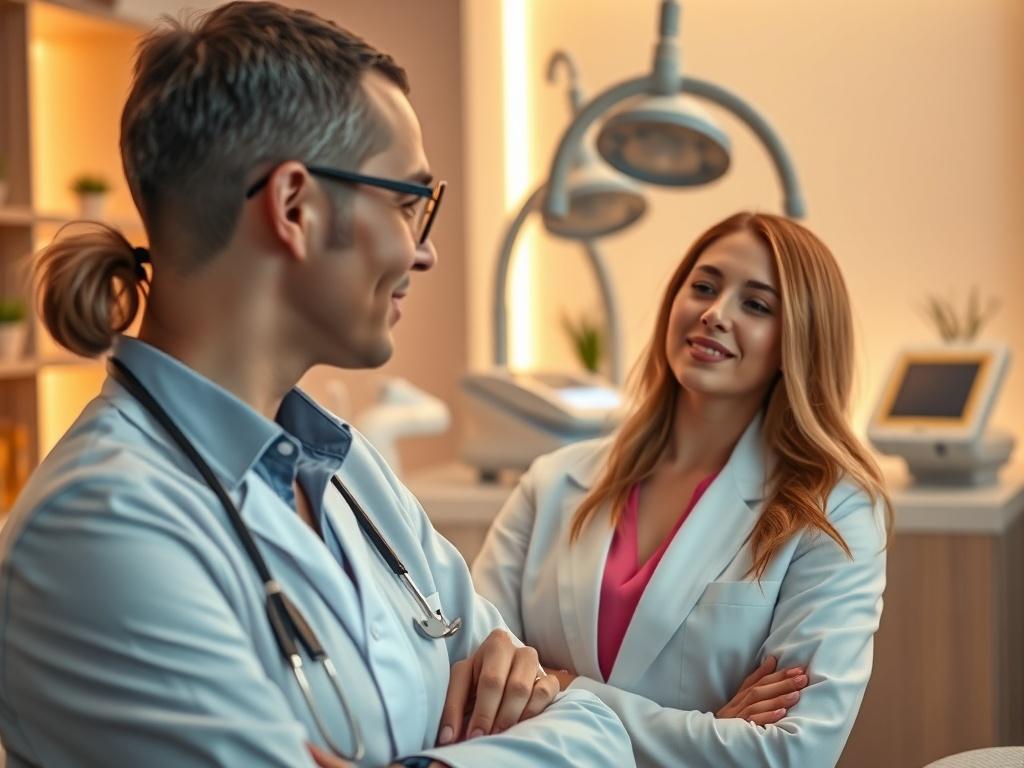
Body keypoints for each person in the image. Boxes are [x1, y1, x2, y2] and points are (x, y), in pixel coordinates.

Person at [0, 4, 634, 768]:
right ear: (294, 206)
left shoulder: (349, 471)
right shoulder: (100, 526)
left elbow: (591, 726)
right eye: (407, 204)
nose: (421, 252)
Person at [472, 211, 892, 768]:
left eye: (757, 305)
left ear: (799, 341)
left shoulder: (832, 509)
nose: (715, 314)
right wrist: (707, 731)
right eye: (704, 287)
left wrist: (566, 689)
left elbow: (794, 753)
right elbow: (476, 676)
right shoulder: (551, 482)